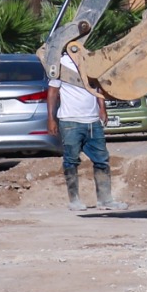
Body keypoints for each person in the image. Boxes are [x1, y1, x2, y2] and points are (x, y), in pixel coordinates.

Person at [55, 20, 111, 211]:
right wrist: (50, 119)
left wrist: (101, 108)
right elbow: (52, 92)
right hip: (70, 120)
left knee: (101, 159)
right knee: (71, 160)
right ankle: (74, 200)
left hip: (92, 120)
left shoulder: (89, 60)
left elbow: (97, 86)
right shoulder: (60, 63)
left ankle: (105, 199)